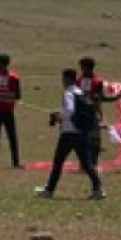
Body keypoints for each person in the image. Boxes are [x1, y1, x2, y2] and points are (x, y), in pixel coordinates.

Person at [34, 69, 105, 200]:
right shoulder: (80, 92)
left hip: (69, 133)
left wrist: (58, 116)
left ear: (66, 79)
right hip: (81, 132)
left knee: (58, 162)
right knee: (87, 163)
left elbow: (70, 110)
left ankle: (49, 190)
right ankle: (98, 189)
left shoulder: (68, 93)